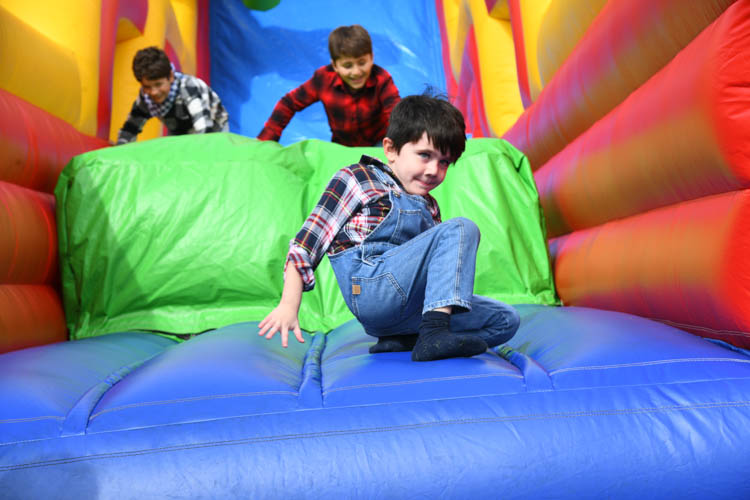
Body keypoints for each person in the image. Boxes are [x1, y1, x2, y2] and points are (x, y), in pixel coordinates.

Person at [258, 94, 520, 361]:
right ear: (391, 149)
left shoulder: (429, 205)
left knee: (504, 320)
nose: (434, 170)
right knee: (462, 228)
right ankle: (434, 334)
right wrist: (289, 305)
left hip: (411, 309)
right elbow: (306, 243)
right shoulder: (358, 178)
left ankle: (407, 340)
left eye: (444, 162)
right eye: (424, 155)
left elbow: (434, 272)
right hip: (372, 291)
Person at [257, 25, 400, 147]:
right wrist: (266, 140)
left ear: (372, 58)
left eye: (362, 63)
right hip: (343, 148)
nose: (356, 72)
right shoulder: (324, 80)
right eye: (347, 66)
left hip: (378, 143)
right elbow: (289, 103)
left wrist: (396, 145)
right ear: (335, 65)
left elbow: (395, 115)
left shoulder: (381, 79)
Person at [116, 46, 229, 145]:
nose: (153, 92)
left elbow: (204, 128)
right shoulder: (145, 98)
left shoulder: (188, 88)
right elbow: (130, 129)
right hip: (179, 128)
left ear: (170, 77)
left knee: (210, 151)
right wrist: (120, 151)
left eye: (158, 84)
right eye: (147, 87)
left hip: (214, 126)